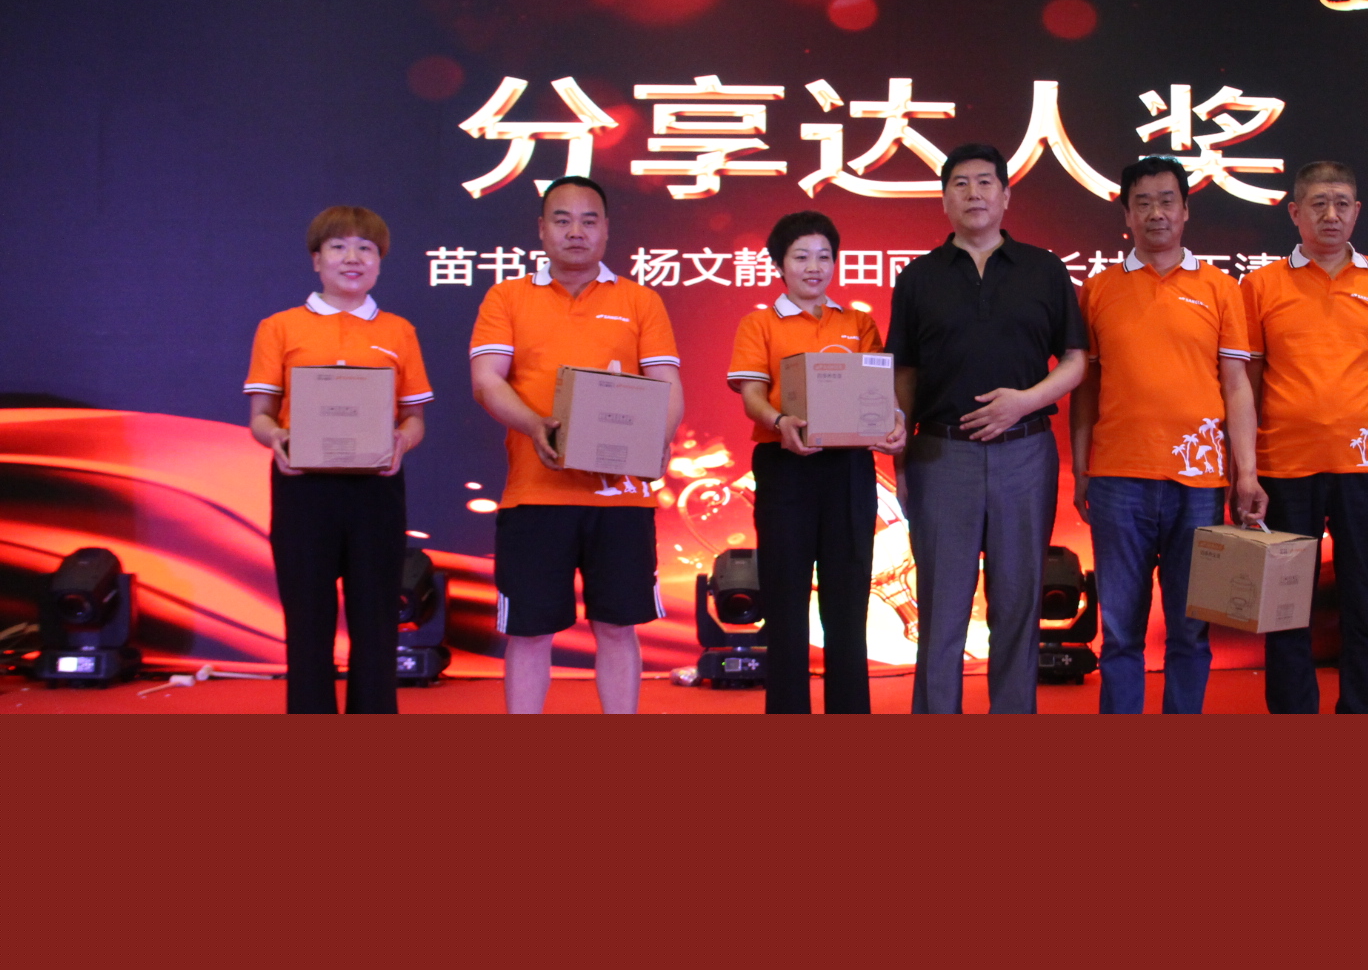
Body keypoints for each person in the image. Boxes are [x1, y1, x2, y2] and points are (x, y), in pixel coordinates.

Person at [469, 175, 683, 715]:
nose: (576, 232)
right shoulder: (507, 296)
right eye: (562, 220)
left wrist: (659, 439)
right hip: (535, 496)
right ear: (542, 229)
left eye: (589, 220)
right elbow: (487, 380)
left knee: (618, 627)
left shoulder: (639, 300)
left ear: (606, 230)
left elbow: (666, 384)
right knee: (529, 632)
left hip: (621, 498)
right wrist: (536, 425)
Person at [887, 143, 1088, 714]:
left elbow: (1075, 361)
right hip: (940, 456)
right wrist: (901, 464)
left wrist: (1023, 403)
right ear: (944, 199)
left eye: (984, 182)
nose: (973, 193)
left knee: (1019, 606)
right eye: (960, 183)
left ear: (1005, 195)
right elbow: (904, 372)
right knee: (940, 608)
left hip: (1024, 454)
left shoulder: (1044, 269)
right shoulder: (919, 276)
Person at [1069, 157, 1266, 714]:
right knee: (1120, 635)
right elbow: (1085, 391)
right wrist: (1082, 470)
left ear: (1185, 210)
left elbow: (1237, 387)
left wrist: (1246, 473)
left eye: (1166, 201)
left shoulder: (1221, 288)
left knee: (1190, 632)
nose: (1156, 213)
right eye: (1143, 203)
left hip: (1199, 483)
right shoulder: (1098, 290)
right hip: (1118, 480)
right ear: (1126, 214)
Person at [1240, 161, 1368, 715]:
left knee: (1364, 606)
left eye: (1342, 203)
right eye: (1319, 203)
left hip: (1366, 468)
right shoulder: (1260, 285)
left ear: (1357, 211)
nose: (1331, 214)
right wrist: (1245, 467)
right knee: (1284, 612)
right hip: (1282, 468)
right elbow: (1246, 382)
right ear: (1295, 213)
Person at [244, 206, 433, 714]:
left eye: (365, 248)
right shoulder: (280, 327)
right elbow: (260, 416)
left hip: (376, 489)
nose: (353, 258)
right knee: (307, 618)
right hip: (304, 487)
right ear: (316, 260)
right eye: (338, 246)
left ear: (380, 261)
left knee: (376, 618)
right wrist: (277, 439)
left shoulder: (398, 331)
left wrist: (402, 442)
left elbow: (415, 418)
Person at [727, 211, 908, 713]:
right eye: (801, 257)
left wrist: (894, 421)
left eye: (824, 257)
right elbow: (752, 395)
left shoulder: (857, 323)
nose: (814, 267)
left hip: (848, 470)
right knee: (785, 601)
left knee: (847, 604)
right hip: (785, 464)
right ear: (779, 264)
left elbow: (879, 391)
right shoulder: (760, 324)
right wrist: (780, 421)